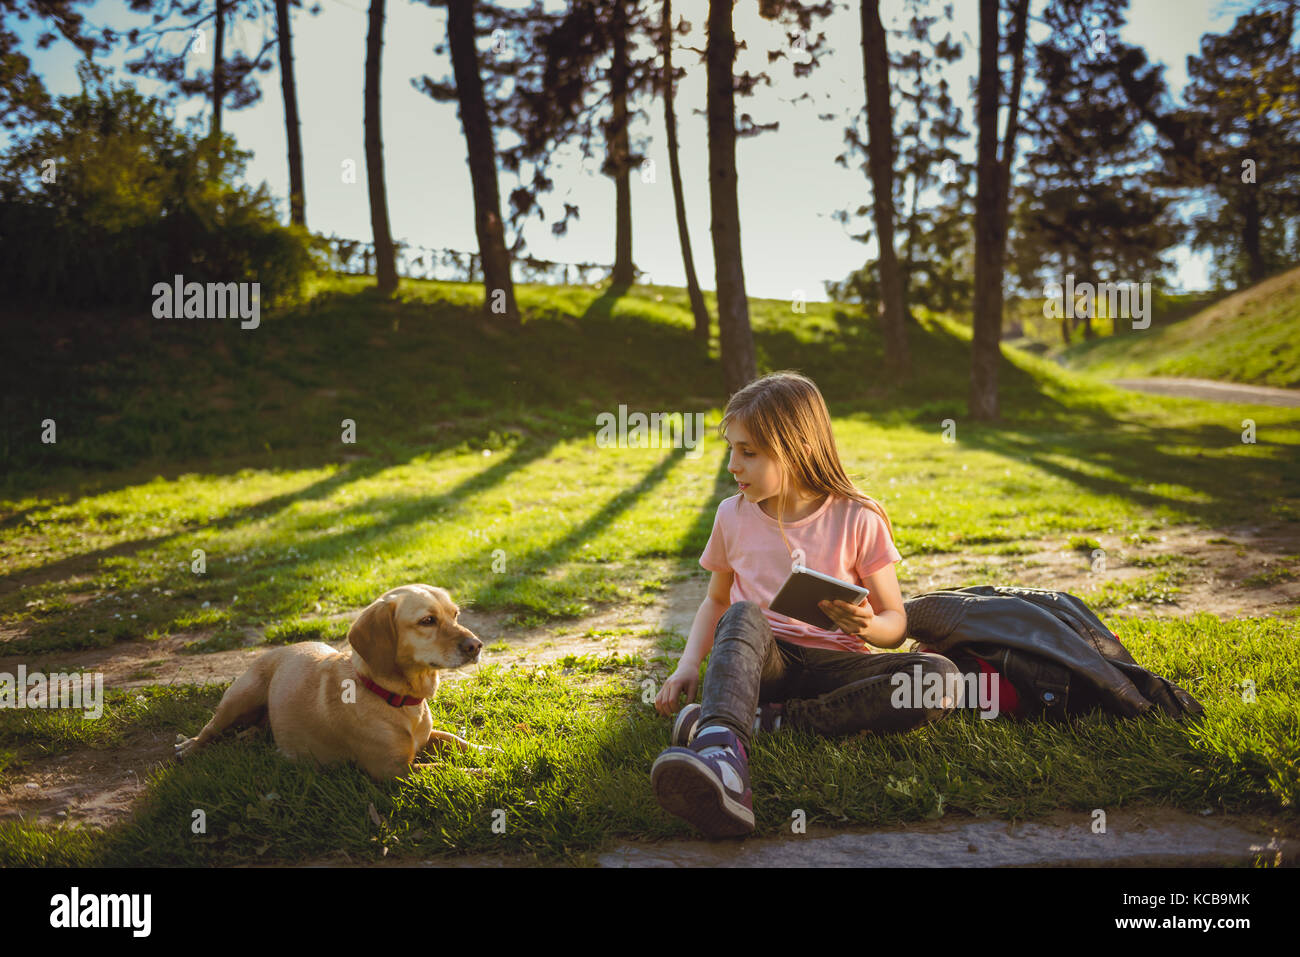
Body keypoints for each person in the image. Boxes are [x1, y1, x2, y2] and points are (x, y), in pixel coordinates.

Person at [650, 371, 963, 838]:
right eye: (731, 450)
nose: (733, 465)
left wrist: (865, 626)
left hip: (837, 666)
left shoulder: (859, 516)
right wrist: (688, 666)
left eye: (749, 453)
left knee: (938, 678)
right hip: (763, 665)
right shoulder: (731, 515)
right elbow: (716, 599)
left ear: (796, 449)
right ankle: (722, 755)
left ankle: (762, 722)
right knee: (741, 613)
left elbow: (895, 622)